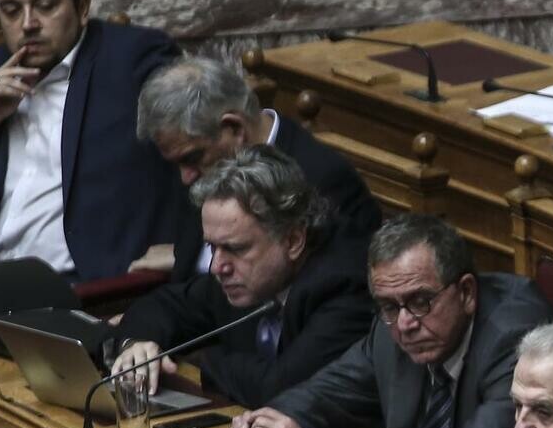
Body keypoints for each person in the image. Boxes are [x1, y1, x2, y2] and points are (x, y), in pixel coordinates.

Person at [222, 214, 553, 428]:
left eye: (421, 301)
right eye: (389, 306)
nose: (405, 323)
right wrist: (262, 426)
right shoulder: (392, 325)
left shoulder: (515, 339)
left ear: (466, 293)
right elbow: (325, 394)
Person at [0, 0, 187, 280]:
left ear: (82, 8)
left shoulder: (133, 61)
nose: (28, 23)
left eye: (45, 6)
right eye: (11, 10)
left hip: (89, 287)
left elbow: (208, 155)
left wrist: (189, 250)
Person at [107, 145, 371, 408]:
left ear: (293, 241)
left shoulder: (345, 287)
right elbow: (165, 304)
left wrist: (203, 358)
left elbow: (282, 390)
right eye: (212, 247)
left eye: (235, 248)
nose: (216, 267)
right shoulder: (249, 275)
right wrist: (137, 344)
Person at [134, 56, 382, 283]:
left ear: (235, 129)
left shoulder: (322, 181)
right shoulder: (206, 166)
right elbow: (188, 274)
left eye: (192, 158)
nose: (186, 177)